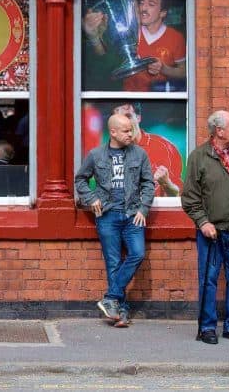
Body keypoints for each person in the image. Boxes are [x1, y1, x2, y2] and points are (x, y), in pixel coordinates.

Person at [181, 110, 229, 345]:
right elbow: (190, 197)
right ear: (219, 130)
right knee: (209, 281)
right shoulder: (199, 157)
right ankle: (207, 328)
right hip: (212, 234)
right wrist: (203, 222)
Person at [75, 113, 154, 328]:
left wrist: (144, 208)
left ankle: (110, 298)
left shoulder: (140, 154)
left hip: (132, 215)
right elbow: (80, 179)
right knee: (113, 263)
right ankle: (121, 310)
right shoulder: (96, 155)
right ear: (113, 132)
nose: (131, 134)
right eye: (127, 131)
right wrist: (91, 198)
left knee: (137, 254)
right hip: (107, 215)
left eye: (131, 130)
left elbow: (148, 183)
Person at [83, 0, 186, 92]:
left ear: (163, 12)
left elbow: (184, 72)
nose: (143, 9)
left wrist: (164, 69)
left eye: (151, 4)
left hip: (159, 101)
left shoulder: (176, 37)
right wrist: (94, 37)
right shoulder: (126, 32)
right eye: (141, 3)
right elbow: (104, 59)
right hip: (128, 99)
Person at [112, 103, 182, 196]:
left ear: (138, 118)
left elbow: (179, 196)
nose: (124, 125)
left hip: (157, 210)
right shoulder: (108, 154)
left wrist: (167, 184)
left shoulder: (164, 147)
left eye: (128, 116)